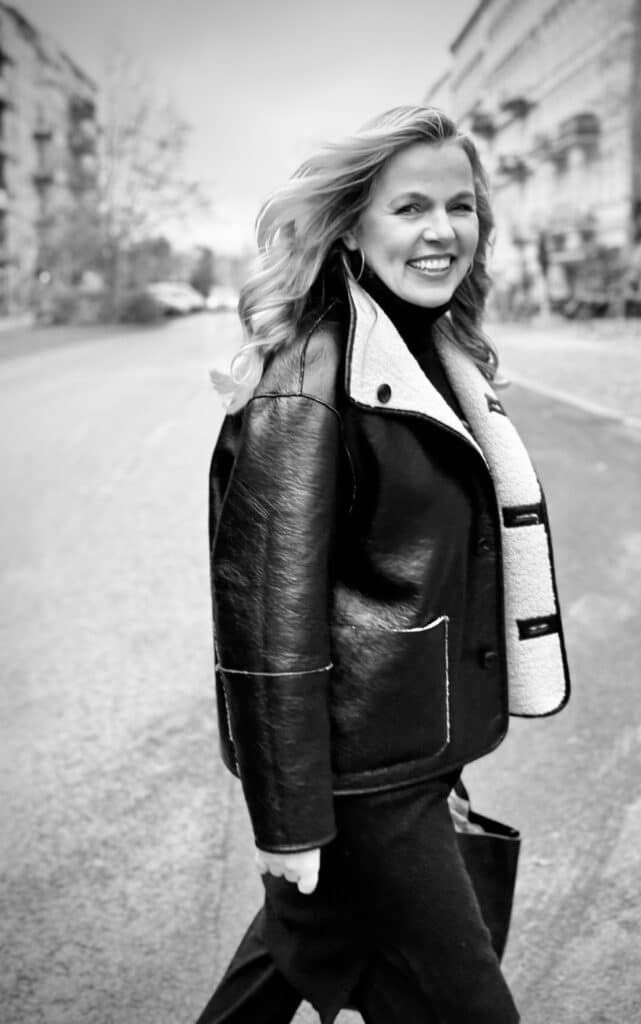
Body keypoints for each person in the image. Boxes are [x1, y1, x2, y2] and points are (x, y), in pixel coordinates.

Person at [198, 105, 570, 1024]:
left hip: (408, 746)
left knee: (293, 955)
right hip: (369, 781)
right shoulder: (312, 379)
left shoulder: (425, 350)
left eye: (460, 205)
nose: (443, 230)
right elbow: (266, 621)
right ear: (350, 228)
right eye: (410, 208)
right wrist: (289, 819)